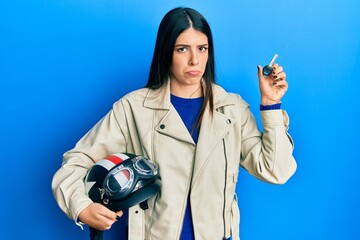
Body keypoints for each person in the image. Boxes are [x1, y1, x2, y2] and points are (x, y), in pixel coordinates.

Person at [52, 7, 297, 240]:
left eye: (202, 48)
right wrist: (82, 207)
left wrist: (271, 105)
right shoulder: (134, 109)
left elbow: (276, 170)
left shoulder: (232, 109)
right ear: (166, 51)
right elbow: (76, 161)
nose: (194, 60)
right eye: (182, 49)